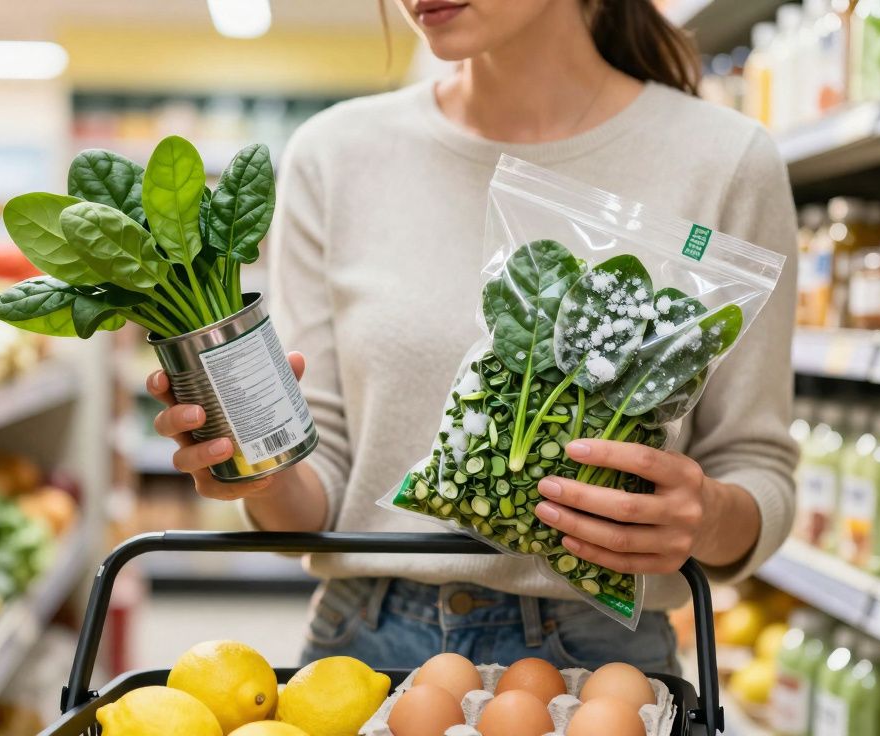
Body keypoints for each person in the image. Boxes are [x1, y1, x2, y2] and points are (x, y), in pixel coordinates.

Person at [148, 0, 798, 674]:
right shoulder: (333, 155)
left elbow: (757, 464)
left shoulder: (725, 159)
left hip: (603, 659)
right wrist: (255, 467)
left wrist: (706, 517)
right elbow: (326, 490)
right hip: (362, 645)